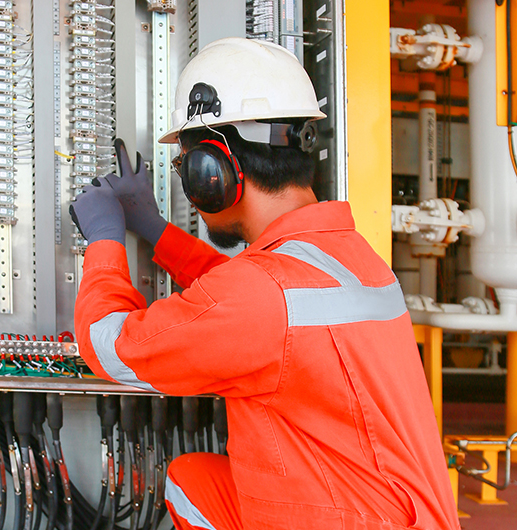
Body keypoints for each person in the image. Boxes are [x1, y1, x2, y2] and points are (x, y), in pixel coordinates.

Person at [70, 38, 459, 530]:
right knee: (194, 481)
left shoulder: (261, 296)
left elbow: (109, 347)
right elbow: (244, 301)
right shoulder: (350, 258)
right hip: (394, 513)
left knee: (186, 487)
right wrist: (155, 229)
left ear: (212, 172)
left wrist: (104, 242)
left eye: (187, 167)